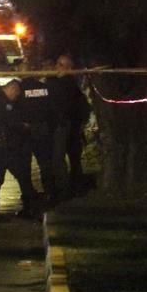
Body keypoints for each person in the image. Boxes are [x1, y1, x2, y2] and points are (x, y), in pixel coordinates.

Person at [0, 79, 38, 222]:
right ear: (12, 89)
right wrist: (23, 126)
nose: (17, 96)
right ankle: (29, 208)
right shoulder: (1, 104)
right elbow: (9, 123)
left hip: (0, 148)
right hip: (7, 148)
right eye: (17, 92)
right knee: (21, 177)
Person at [18, 59, 57, 202]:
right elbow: (51, 108)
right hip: (42, 129)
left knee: (24, 164)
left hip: (25, 131)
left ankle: (28, 194)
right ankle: (50, 192)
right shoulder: (43, 87)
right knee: (45, 163)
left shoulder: (19, 89)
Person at [56, 54, 91, 191]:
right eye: (57, 64)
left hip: (71, 127)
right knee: (71, 158)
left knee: (70, 158)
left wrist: (80, 124)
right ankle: (75, 184)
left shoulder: (69, 85)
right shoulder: (62, 83)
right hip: (69, 126)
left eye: (61, 65)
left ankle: (72, 185)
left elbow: (81, 107)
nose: (57, 67)